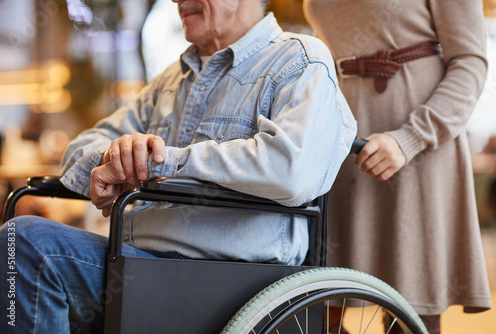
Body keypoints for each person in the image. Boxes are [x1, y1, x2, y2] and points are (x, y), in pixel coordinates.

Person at [0, 0, 357, 332]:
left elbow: (291, 170)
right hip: (138, 264)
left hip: (230, 281)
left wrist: (163, 161)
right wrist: (117, 158)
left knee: (28, 243)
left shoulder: (300, 60)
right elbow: (81, 147)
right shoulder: (171, 80)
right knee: (18, 242)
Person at [303, 0, 492, 333]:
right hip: (341, 145)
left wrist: (410, 138)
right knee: (318, 309)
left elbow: (471, 62)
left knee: (411, 312)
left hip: (419, 150)